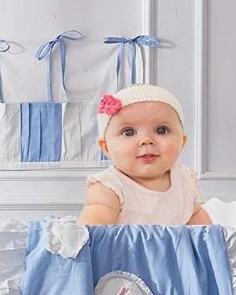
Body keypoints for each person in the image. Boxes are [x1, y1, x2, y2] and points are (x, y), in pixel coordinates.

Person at [78, 83, 212, 226]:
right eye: (129, 132)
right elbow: (94, 228)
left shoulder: (184, 180)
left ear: (181, 142)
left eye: (161, 130)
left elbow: (194, 214)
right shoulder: (109, 188)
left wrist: (212, 235)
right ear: (107, 148)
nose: (146, 140)